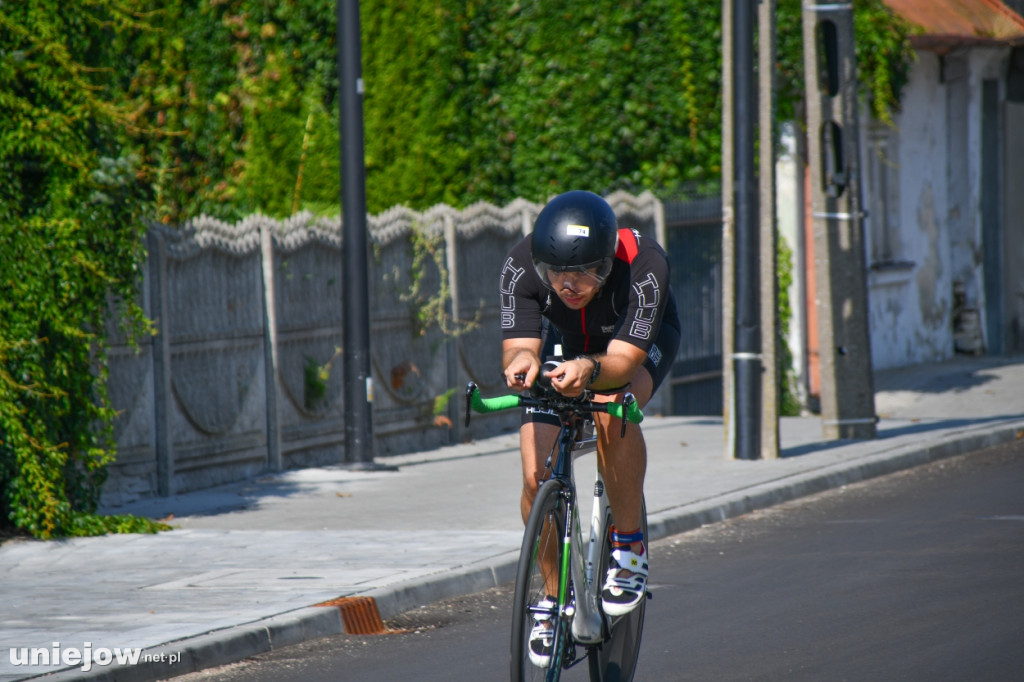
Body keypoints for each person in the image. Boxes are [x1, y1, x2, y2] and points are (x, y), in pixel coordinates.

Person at [499, 189, 680, 666]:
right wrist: (522, 364)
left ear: (606, 260)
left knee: (608, 405)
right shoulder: (521, 265)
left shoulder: (645, 265)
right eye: (556, 273)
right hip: (566, 342)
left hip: (632, 343)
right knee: (535, 474)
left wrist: (591, 370)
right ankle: (555, 599)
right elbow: (519, 346)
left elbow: (620, 362)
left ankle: (627, 545)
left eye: (585, 272)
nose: (569, 284)